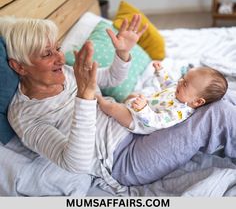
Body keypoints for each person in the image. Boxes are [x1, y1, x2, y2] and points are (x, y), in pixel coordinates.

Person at [0, 15, 236, 192]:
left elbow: (111, 78)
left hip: (136, 124)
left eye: (58, 48)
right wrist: (84, 96)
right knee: (218, 113)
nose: (60, 58)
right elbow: (76, 163)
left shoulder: (68, 73)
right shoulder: (25, 115)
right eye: (46, 54)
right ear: (19, 66)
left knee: (214, 100)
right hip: (124, 159)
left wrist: (122, 54)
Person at [96, 61, 228, 134]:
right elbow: (168, 84)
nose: (180, 81)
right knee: (132, 95)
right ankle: (123, 102)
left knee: (114, 108)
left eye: (185, 83)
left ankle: (99, 99)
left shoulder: (179, 112)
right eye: (183, 78)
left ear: (198, 101)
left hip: (139, 122)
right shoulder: (181, 91)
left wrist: (143, 109)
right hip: (143, 105)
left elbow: (157, 121)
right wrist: (161, 72)